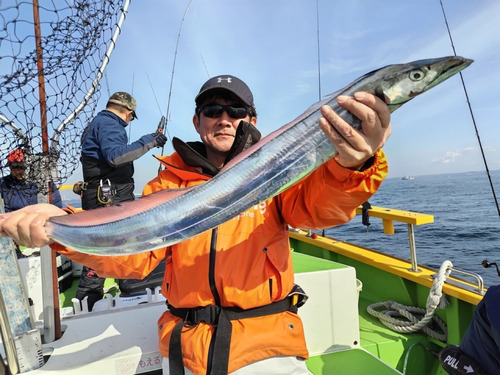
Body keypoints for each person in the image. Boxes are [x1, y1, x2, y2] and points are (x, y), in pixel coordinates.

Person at [0, 75, 391, 374]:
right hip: (186, 347)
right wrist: (61, 230)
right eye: (213, 111)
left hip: (267, 345)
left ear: (251, 120)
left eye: (236, 112)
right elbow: (133, 259)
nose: (225, 119)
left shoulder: (277, 175)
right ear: (197, 121)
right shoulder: (167, 182)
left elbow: (322, 209)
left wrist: (353, 165)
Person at [75, 92, 168, 310]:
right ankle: (91, 302)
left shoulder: (96, 123)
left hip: (101, 195)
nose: (128, 122)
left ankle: (91, 302)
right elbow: (116, 156)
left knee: (102, 250)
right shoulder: (109, 124)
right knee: (108, 250)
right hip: (108, 198)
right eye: (131, 117)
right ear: (128, 112)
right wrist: (151, 140)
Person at [0, 149, 63, 257]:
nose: (18, 171)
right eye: (14, 168)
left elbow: (57, 205)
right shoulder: (4, 183)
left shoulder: (44, 182)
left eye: (21, 167)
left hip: (41, 227)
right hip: (14, 231)